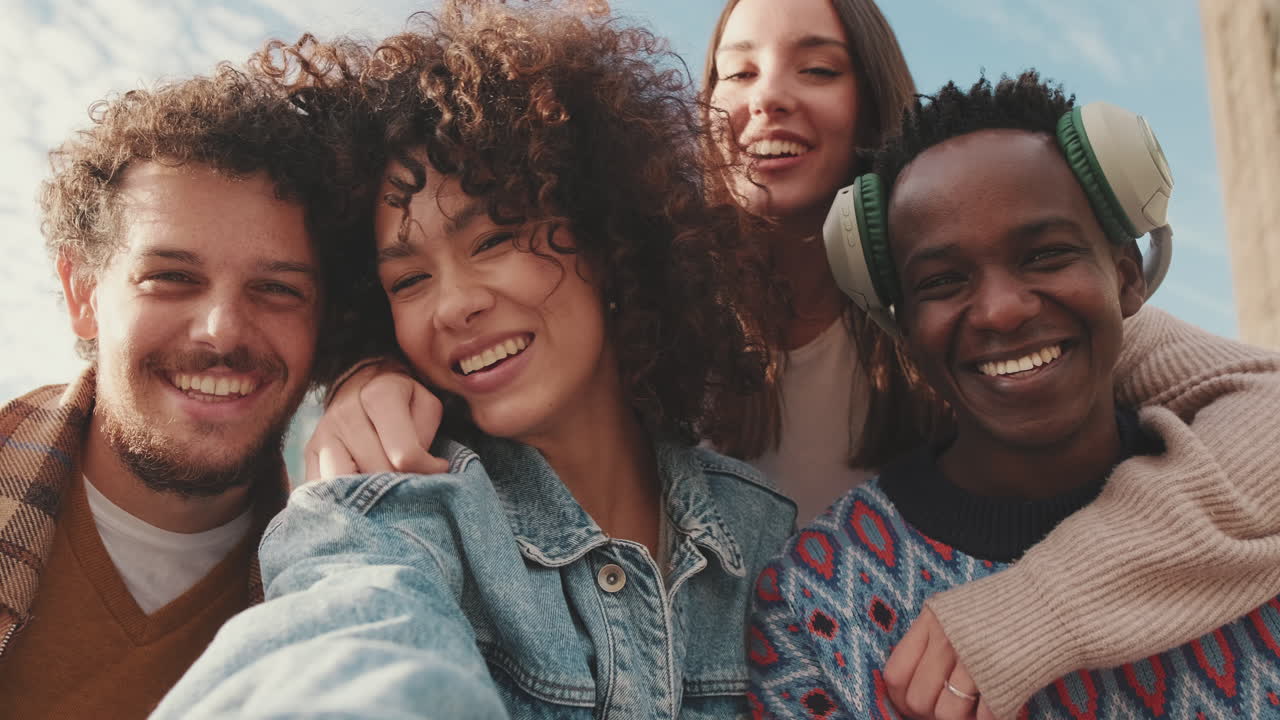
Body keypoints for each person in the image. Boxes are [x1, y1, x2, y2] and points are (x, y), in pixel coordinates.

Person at [307, 0, 1280, 712]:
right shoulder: (615, 328)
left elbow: (1263, 419)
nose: (766, 100)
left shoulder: (990, 312)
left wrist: (1035, 604)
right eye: (735, 71)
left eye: (815, 67)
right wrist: (366, 375)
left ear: (870, 106)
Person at [151, 3, 795, 717]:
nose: (451, 307)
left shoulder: (762, 526)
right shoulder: (398, 513)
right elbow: (345, 629)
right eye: (409, 280)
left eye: (492, 240)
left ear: (608, 240)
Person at [748, 71, 1280, 720]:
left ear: (1125, 278)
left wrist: (1042, 605)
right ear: (904, 330)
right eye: (943, 280)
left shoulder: (1260, 531)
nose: (1001, 311)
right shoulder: (813, 600)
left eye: (1045, 255)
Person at [0, 66, 347, 718]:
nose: (222, 331)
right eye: (171, 277)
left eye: (277, 289)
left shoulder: (344, 585)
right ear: (83, 295)